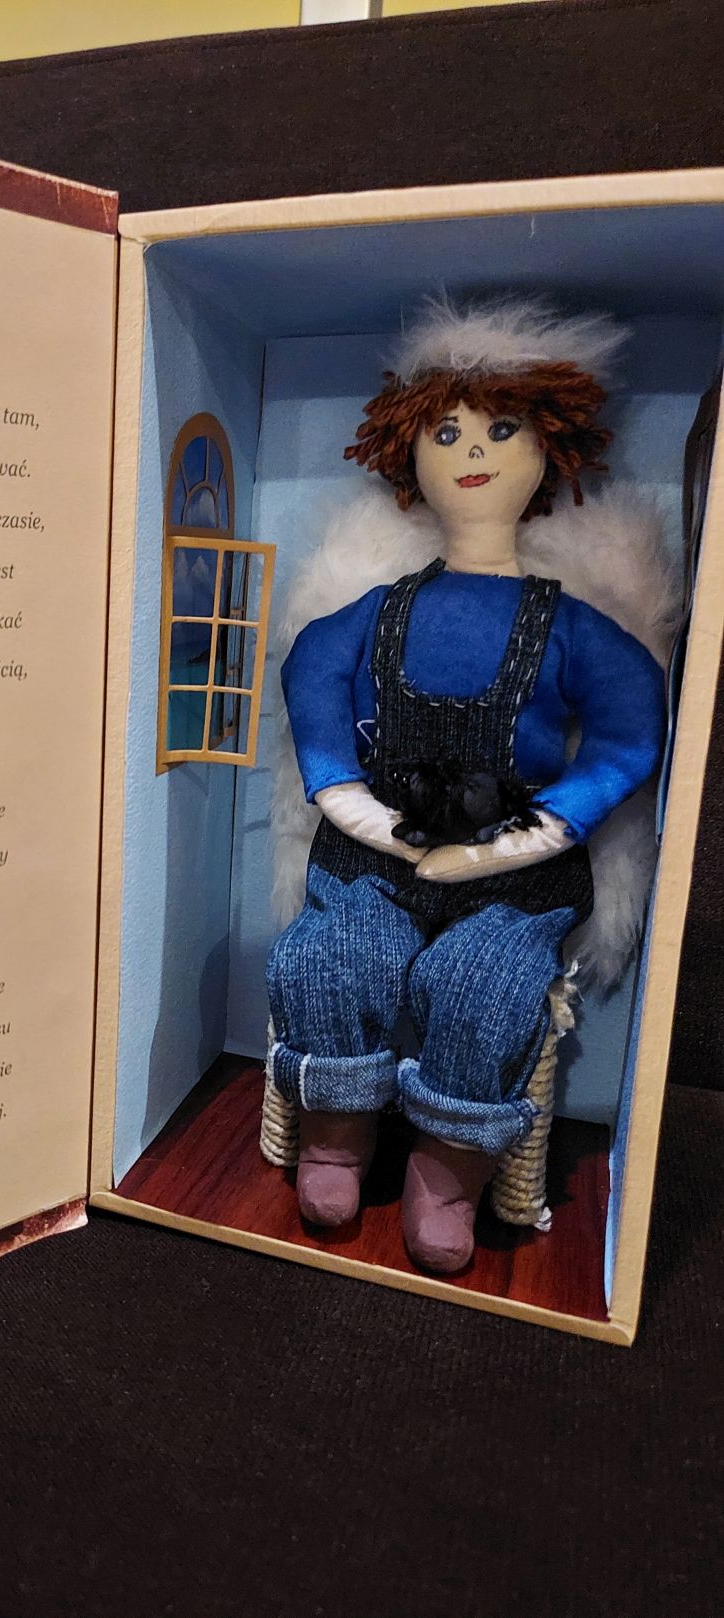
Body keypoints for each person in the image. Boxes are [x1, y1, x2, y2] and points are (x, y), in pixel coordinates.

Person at [265, 298, 666, 1273]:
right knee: (331, 956)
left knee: (487, 982)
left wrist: (523, 841)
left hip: (514, 870)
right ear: (408, 451)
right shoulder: (376, 612)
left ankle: (446, 1169)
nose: (471, 452)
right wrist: (361, 813)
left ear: (548, 451)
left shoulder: (570, 628)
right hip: (373, 851)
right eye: (445, 432)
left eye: (500, 429)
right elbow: (312, 675)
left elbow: (629, 729)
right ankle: (336, 1138)